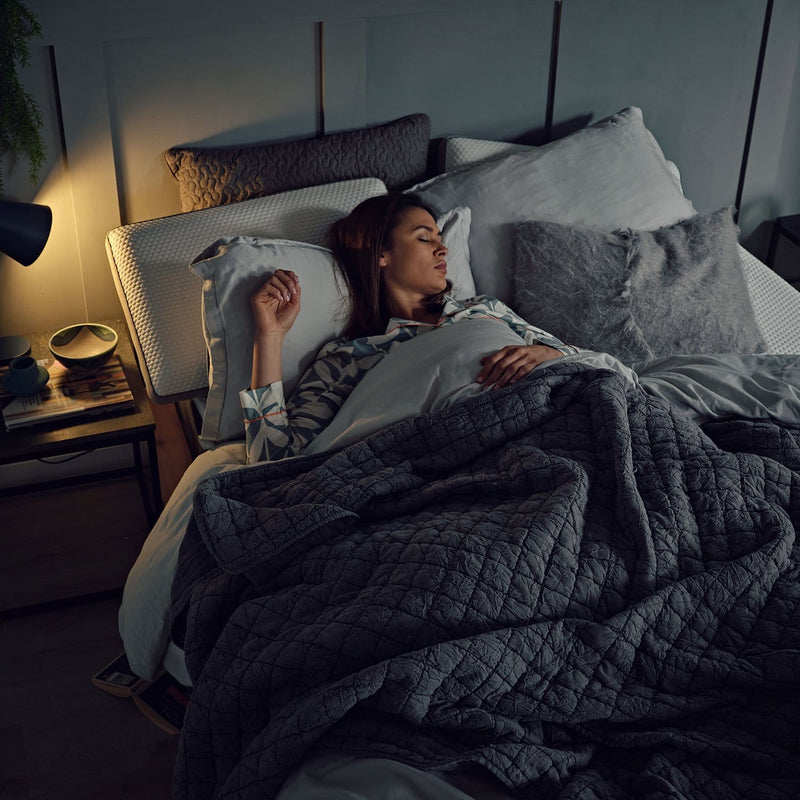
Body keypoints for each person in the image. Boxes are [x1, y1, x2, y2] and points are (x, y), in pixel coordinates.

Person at [240, 192, 579, 465]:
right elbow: (273, 462)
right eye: (423, 237)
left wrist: (546, 353)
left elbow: (583, 363)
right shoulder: (348, 358)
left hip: (553, 418)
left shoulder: (483, 309)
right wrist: (269, 337)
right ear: (380, 255)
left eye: (440, 237)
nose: (442, 247)